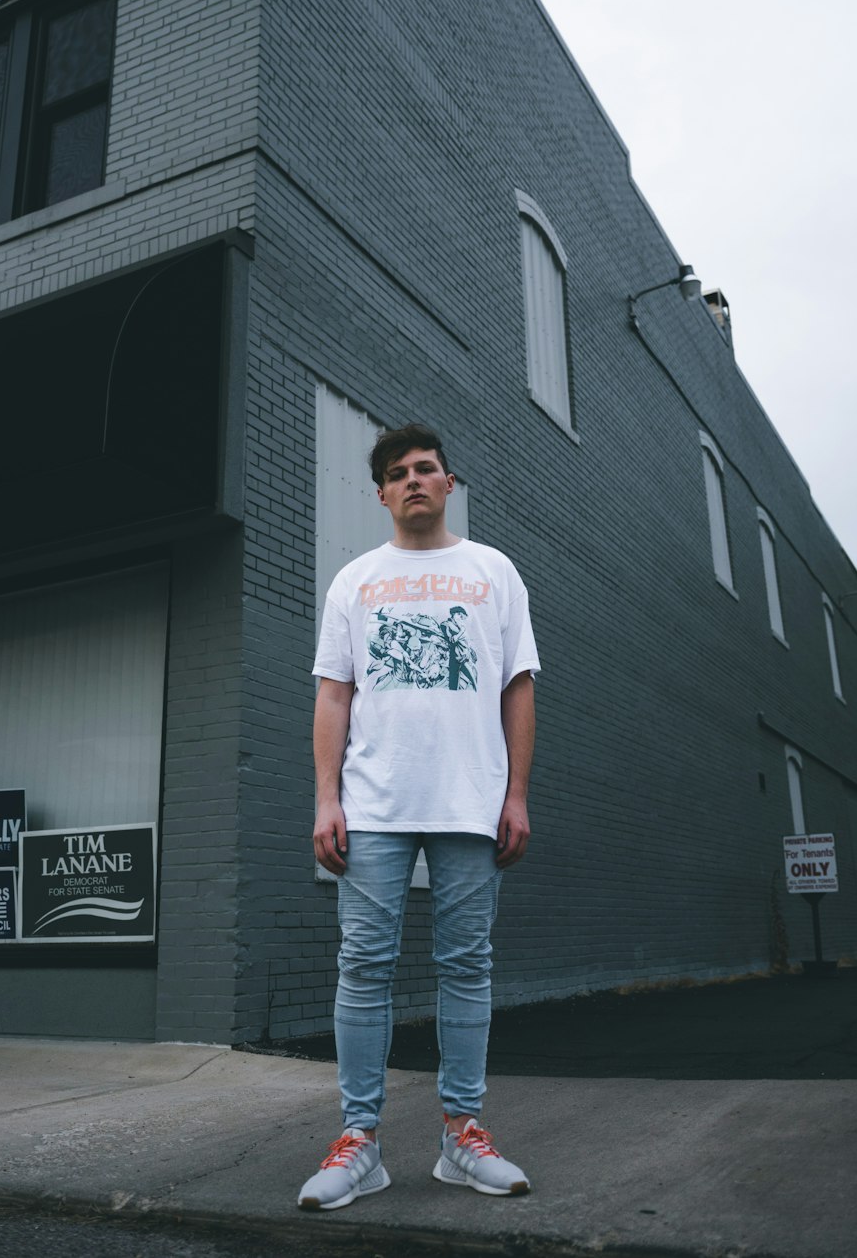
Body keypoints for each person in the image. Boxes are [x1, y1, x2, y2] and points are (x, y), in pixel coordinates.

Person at [297, 423, 539, 1211]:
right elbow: (334, 694)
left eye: (424, 469)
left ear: (449, 482)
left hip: (471, 799)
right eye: (396, 473)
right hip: (374, 803)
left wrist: (516, 794)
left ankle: (461, 1137)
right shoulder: (355, 581)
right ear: (380, 493)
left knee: (466, 966)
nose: (412, 481)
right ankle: (358, 1143)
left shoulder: (493, 571)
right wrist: (326, 798)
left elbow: (517, 689)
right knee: (363, 967)